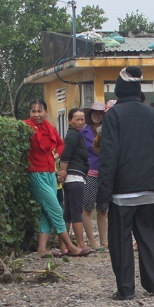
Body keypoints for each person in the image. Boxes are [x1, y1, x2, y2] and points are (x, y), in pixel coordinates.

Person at [96, 66, 154, 300]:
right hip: (148, 190)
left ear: (119, 90)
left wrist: (103, 193)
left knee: (120, 243)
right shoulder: (151, 114)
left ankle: (126, 289)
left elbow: (109, 156)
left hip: (122, 193)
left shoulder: (114, 116)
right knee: (150, 239)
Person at [25, 99, 88, 258]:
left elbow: (60, 144)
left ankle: (42, 248)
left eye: (40, 111)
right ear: (30, 113)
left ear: (46, 112)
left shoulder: (50, 128)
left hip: (50, 173)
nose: (37, 114)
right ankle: (70, 246)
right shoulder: (25, 127)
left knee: (47, 211)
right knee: (56, 209)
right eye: (33, 111)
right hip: (35, 172)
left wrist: (56, 156)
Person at [60, 107, 94, 250]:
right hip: (74, 177)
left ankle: (64, 245)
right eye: (77, 119)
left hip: (74, 177)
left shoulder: (76, 134)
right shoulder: (73, 136)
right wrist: (62, 171)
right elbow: (66, 155)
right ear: (70, 120)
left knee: (68, 212)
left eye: (82, 119)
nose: (80, 122)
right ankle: (80, 243)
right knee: (76, 211)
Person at [81, 102, 107, 250]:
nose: (97, 115)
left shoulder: (109, 131)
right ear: (90, 115)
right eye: (94, 112)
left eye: (100, 113)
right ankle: (92, 241)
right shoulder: (83, 133)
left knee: (103, 209)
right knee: (87, 208)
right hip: (89, 173)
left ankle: (104, 241)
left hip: (104, 173)